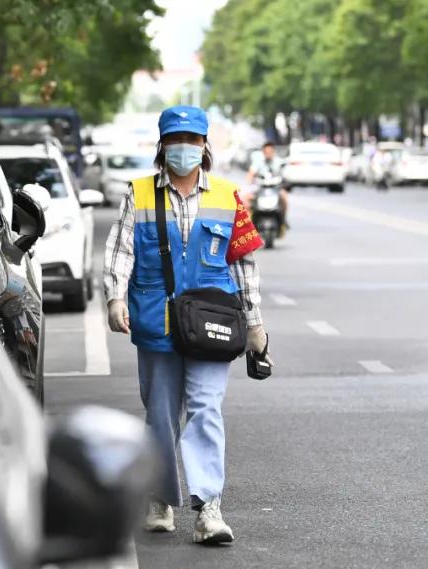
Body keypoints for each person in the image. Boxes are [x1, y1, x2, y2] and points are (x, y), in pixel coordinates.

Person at [103, 106, 272, 545]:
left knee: (205, 409)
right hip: (156, 318)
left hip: (211, 321)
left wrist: (254, 326)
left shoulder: (227, 195)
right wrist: (115, 297)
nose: (185, 147)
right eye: (176, 139)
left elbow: (244, 264)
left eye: (193, 140)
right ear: (163, 146)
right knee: (160, 413)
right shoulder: (138, 193)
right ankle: (160, 499)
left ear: (205, 145)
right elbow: (121, 251)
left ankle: (207, 507)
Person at [245, 141, 289, 222]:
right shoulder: (258, 162)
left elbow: (284, 174)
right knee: (246, 199)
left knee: (284, 198)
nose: (268, 153)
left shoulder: (278, 161)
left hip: (275, 188)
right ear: (263, 152)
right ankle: (248, 223)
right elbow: (251, 174)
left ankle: (283, 220)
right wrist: (249, 183)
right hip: (259, 187)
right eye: (266, 152)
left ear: (273, 152)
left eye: (270, 152)